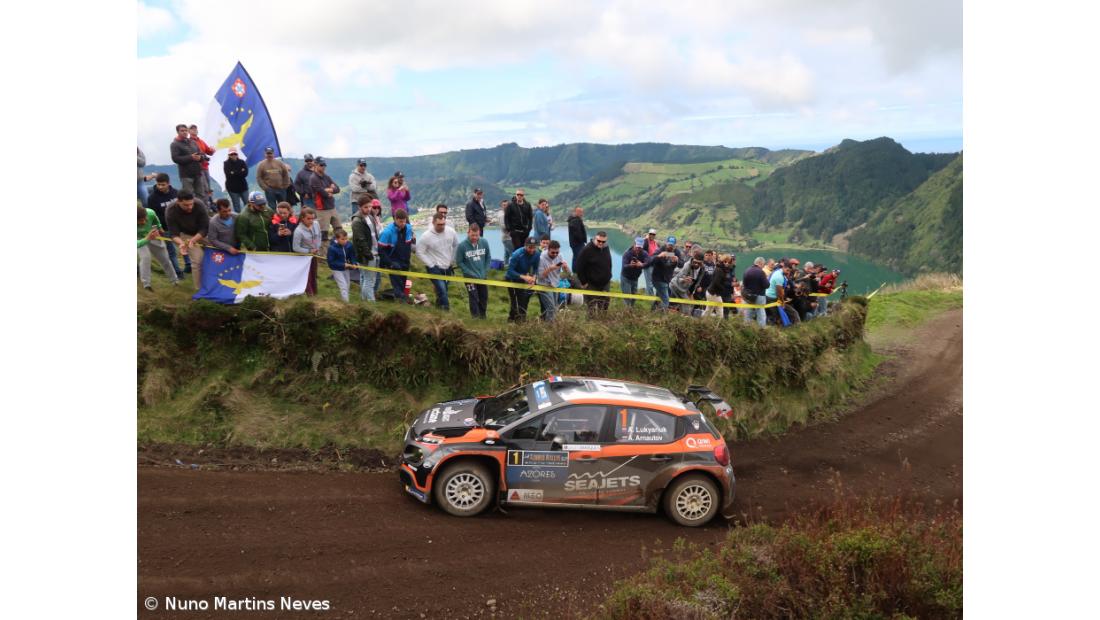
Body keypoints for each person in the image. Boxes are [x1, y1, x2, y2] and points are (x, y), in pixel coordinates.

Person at [165, 190, 209, 288]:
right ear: (178, 202)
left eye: (191, 204)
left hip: (203, 233)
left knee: (218, 253)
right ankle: (200, 290)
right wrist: (181, 244)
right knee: (197, 260)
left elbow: (204, 228)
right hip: (186, 234)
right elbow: (173, 234)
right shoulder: (171, 210)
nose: (190, 207)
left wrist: (194, 240)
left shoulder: (199, 204)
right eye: (186, 205)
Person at [417, 211, 459, 311]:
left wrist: (452, 260)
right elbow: (419, 251)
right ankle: (447, 311)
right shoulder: (426, 236)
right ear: (433, 223)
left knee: (443, 290)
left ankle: (438, 308)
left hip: (448, 266)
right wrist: (431, 264)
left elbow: (456, 245)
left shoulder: (451, 231)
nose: (442, 226)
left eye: (443, 224)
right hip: (434, 268)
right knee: (442, 290)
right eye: (439, 224)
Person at [147, 173, 183, 279]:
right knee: (171, 251)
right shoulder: (152, 198)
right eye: (158, 184)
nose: (160, 187)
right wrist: (157, 228)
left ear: (168, 183)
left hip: (179, 226)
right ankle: (178, 272)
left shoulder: (176, 193)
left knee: (185, 246)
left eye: (163, 184)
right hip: (164, 228)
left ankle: (189, 266)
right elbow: (152, 215)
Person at [137, 203, 179, 290]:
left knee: (165, 259)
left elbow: (156, 221)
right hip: (140, 239)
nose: (144, 222)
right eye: (140, 221)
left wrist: (159, 228)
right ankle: (146, 285)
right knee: (145, 258)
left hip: (153, 235)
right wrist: (147, 239)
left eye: (145, 219)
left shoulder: (150, 213)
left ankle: (174, 280)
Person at [378, 208, 416, 302]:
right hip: (393, 261)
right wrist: (390, 263)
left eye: (404, 221)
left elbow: (410, 243)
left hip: (405, 261)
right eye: (400, 221)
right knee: (397, 286)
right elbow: (381, 251)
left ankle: (400, 301)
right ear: (395, 219)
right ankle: (402, 302)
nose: (403, 224)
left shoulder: (408, 228)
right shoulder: (387, 232)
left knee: (402, 284)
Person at [455, 223, 492, 318]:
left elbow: (488, 257)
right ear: (468, 233)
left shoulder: (484, 242)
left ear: (479, 233)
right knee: (473, 297)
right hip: (469, 277)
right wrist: (469, 272)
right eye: (472, 235)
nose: (475, 237)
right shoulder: (462, 246)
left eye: (476, 235)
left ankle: (483, 316)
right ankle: (475, 317)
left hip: (482, 276)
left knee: (484, 296)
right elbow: (459, 262)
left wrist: (486, 270)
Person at [574, 231, 613, 317]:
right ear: (595, 238)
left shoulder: (606, 248)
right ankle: (590, 325)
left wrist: (608, 276)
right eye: (599, 241)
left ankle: (602, 323)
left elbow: (608, 263)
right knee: (591, 306)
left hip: (605, 283)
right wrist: (584, 282)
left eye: (603, 242)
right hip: (592, 284)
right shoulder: (587, 250)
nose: (601, 243)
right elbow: (579, 267)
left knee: (604, 305)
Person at [350, 197, 380, 302]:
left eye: (370, 206)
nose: (368, 209)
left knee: (365, 278)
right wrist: (369, 255)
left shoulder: (370, 217)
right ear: (359, 207)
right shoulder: (357, 221)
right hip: (367, 255)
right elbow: (360, 240)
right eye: (365, 207)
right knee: (369, 280)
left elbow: (374, 235)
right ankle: (372, 303)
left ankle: (364, 301)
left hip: (374, 251)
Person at [505, 236, 541, 322]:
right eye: (530, 247)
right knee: (515, 300)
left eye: (534, 247)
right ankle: (518, 321)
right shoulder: (517, 254)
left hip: (523, 278)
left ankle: (514, 319)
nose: (532, 250)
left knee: (523, 299)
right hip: (511, 278)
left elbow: (536, 268)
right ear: (525, 246)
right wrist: (524, 277)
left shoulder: (537, 254)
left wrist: (534, 278)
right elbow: (510, 271)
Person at [308, 156, 341, 244]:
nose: (323, 167)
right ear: (315, 165)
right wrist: (329, 190)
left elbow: (338, 189)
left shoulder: (326, 176)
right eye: (321, 165)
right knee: (324, 235)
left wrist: (329, 190)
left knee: (339, 230)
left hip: (331, 207)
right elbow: (323, 193)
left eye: (324, 165)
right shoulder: (313, 178)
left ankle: (337, 248)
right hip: (321, 209)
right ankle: (323, 254)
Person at [169, 124, 207, 200]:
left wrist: (200, 158)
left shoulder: (193, 142)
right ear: (178, 132)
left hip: (198, 172)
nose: (184, 132)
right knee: (188, 196)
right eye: (182, 131)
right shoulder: (174, 144)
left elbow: (202, 154)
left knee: (201, 195)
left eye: (186, 130)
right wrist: (191, 157)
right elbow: (175, 158)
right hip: (186, 175)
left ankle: (202, 211)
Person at [643, 236, 681, 311]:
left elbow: (681, 264)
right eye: (669, 244)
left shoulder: (677, 252)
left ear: (675, 246)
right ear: (666, 243)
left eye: (672, 245)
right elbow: (650, 261)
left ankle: (653, 311)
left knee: (660, 295)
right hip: (657, 278)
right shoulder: (660, 250)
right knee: (666, 300)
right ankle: (661, 316)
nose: (670, 247)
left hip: (667, 279)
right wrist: (659, 256)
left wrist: (677, 260)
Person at [292, 207, 323, 296]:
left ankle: (315, 293)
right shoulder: (298, 231)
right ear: (302, 218)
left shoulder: (316, 224)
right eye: (308, 219)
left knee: (314, 274)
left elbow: (319, 235)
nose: (311, 221)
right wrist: (309, 251)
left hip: (314, 255)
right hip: (304, 257)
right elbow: (296, 247)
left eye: (312, 218)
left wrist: (318, 247)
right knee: (307, 276)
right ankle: (310, 294)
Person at [536, 240, 569, 321]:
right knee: (551, 308)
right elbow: (540, 276)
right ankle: (550, 328)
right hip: (543, 285)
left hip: (555, 285)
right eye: (553, 252)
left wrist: (565, 268)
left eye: (557, 252)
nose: (555, 254)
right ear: (548, 249)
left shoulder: (560, 256)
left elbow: (567, 274)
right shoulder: (541, 258)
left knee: (555, 308)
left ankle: (544, 322)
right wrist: (550, 269)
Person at [327, 228, 358, 303]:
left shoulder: (349, 245)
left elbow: (352, 256)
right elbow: (331, 263)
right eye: (342, 239)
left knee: (347, 285)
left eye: (346, 239)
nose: (345, 241)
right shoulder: (332, 248)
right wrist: (343, 264)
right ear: (337, 239)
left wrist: (354, 263)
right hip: (337, 270)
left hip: (346, 269)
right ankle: (346, 304)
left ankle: (344, 301)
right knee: (343, 286)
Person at [188, 124, 216, 204]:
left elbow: (209, 151)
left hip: (205, 166)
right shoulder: (189, 142)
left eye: (195, 129)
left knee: (208, 187)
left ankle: (209, 204)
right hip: (197, 168)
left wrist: (212, 150)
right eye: (192, 129)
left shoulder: (201, 141)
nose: (194, 130)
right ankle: (203, 204)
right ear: (189, 131)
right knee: (202, 187)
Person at [620, 237, 649, 307]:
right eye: (637, 247)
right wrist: (630, 265)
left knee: (634, 297)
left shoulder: (644, 253)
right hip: (626, 277)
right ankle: (626, 312)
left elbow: (648, 262)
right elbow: (624, 266)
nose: (638, 249)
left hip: (635, 278)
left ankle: (630, 310)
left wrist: (642, 264)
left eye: (640, 247)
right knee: (627, 297)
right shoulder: (627, 253)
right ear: (634, 244)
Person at [704, 254, 735, 318]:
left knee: (709, 310)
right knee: (720, 310)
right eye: (725, 262)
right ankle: (720, 323)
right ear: (722, 261)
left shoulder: (722, 269)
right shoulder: (719, 270)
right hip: (714, 293)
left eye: (729, 262)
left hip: (711, 292)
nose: (727, 263)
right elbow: (716, 282)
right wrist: (723, 288)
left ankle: (702, 321)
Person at [741, 257, 770, 327]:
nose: (763, 266)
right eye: (763, 264)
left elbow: (744, 284)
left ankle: (747, 328)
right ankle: (762, 329)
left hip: (748, 295)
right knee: (760, 313)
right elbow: (767, 285)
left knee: (748, 312)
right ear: (760, 263)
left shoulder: (747, 270)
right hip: (759, 296)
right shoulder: (761, 272)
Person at [222, 148, 249, 213]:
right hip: (232, 189)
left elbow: (245, 173)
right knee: (236, 206)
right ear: (229, 155)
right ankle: (238, 219)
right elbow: (228, 174)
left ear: (237, 154)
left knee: (248, 204)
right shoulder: (226, 163)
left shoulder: (242, 162)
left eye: (235, 154)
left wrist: (234, 172)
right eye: (231, 154)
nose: (233, 155)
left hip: (243, 187)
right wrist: (240, 171)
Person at [765, 260, 790, 325]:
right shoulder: (779, 277)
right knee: (777, 316)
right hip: (771, 298)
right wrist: (782, 302)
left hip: (769, 295)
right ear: (784, 267)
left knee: (774, 315)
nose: (788, 272)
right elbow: (779, 293)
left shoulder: (778, 271)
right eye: (787, 270)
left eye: (789, 271)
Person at [567, 206, 587, 272]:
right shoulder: (575, 221)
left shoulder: (575, 219)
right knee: (579, 257)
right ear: (575, 212)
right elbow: (577, 233)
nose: (581, 213)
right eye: (579, 212)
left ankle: (575, 271)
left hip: (575, 243)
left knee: (576, 257)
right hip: (577, 243)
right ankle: (577, 271)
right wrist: (582, 240)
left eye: (581, 212)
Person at [641, 228, 660, 296]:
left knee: (653, 282)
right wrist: (645, 239)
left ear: (655, 235)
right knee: (649, 283)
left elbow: (659, 252)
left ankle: (648, 295)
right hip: (648, 265)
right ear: (648, 234)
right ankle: (650, 298)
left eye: (653, 234)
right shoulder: (645, 242)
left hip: (654, 265)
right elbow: (641, 247)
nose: (652, 235)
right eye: (650, 234)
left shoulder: (656, 243)